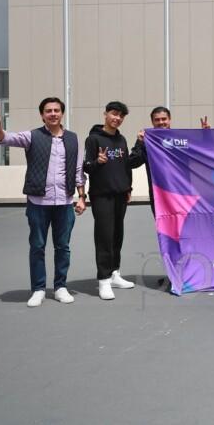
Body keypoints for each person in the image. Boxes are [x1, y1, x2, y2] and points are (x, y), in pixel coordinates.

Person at [0, 98, 86, 307]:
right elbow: (6, 138)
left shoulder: (73, 139)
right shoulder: (32, 136)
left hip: (64, 202)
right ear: (42, 115)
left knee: (63, 247)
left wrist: (82, 197)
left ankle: (60, 287)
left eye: (57, 110)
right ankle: (38, 289)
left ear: (62, 113)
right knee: (37, 246)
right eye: (48, 111)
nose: (53, 113)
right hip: (38, 203)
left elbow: (79, 170)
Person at [130, 107, 209, 289]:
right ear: (152, 122)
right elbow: (132, 162)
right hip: (160, 199)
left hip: (183, 198)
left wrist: (206, 135)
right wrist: (140, 143)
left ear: (170, 120)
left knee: (186, 235)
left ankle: (191, 274)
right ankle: (173, 274)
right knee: (168, 236)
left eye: (164, 119)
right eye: (157, 120)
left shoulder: (180, 139)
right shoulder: (148, 141)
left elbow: (203, 153)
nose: (161, 123)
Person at [84, 101, 143, 301]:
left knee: (117, 235)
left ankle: (114, 273)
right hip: (102, 195)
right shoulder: (93, 139)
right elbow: (86, 167)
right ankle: (103, 280)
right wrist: (97, 162)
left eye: (121, 116)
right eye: (114, 114)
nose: (117, 118)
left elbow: (126, 166)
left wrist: (128, 188)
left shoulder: (121, 139)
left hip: (120, 194)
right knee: (104, 236)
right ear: (105, 114)